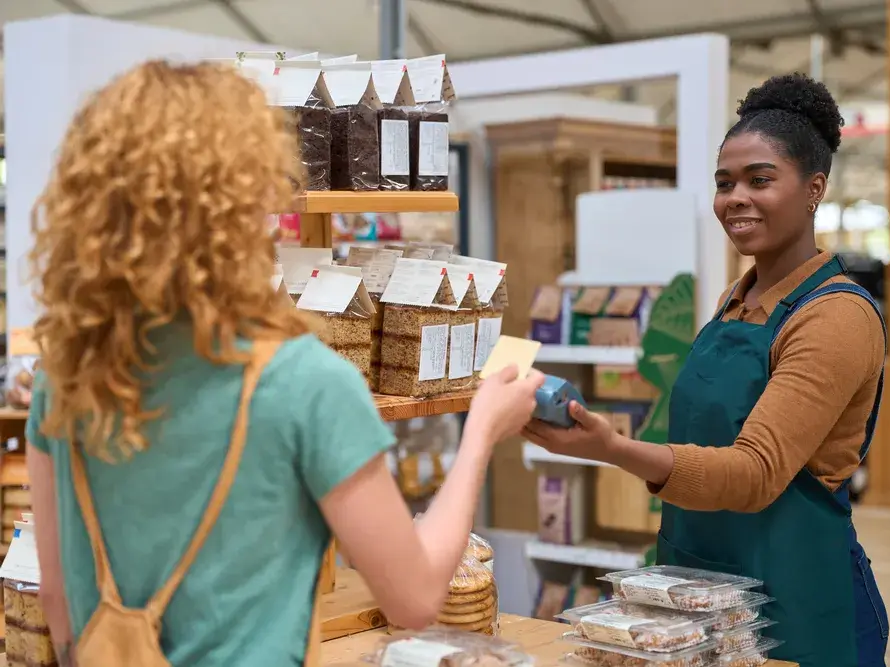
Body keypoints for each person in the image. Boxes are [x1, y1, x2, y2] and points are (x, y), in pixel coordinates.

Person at [25, 61, 544, 667]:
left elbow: (58, 606)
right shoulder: (304, 382)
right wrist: (481, 429)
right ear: (244, 199)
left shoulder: (65, 374)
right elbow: (416, 596)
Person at [524, 73, 889, 667]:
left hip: (796, 596)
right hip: (703, 585)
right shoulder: (734, 300)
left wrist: (612, 447)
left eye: (760, 179)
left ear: (814, 188)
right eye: (725, 183)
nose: (735, 197)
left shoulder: (836, 317)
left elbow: (754, 473)